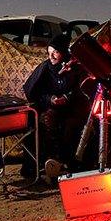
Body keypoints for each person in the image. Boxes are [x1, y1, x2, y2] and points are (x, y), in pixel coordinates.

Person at [22, 33, 89, 182]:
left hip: (72, 109)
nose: (51, 56)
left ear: (64, 53)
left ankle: (67, 164)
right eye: (49, 52)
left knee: (73, 126)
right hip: (49, 108)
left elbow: (82, 90)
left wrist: (67, 97)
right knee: (45, 121)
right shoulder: (45, 67)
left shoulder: (75, 68)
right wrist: (51, 99)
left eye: (56, 52)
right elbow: (32, 91)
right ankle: (47, 164)